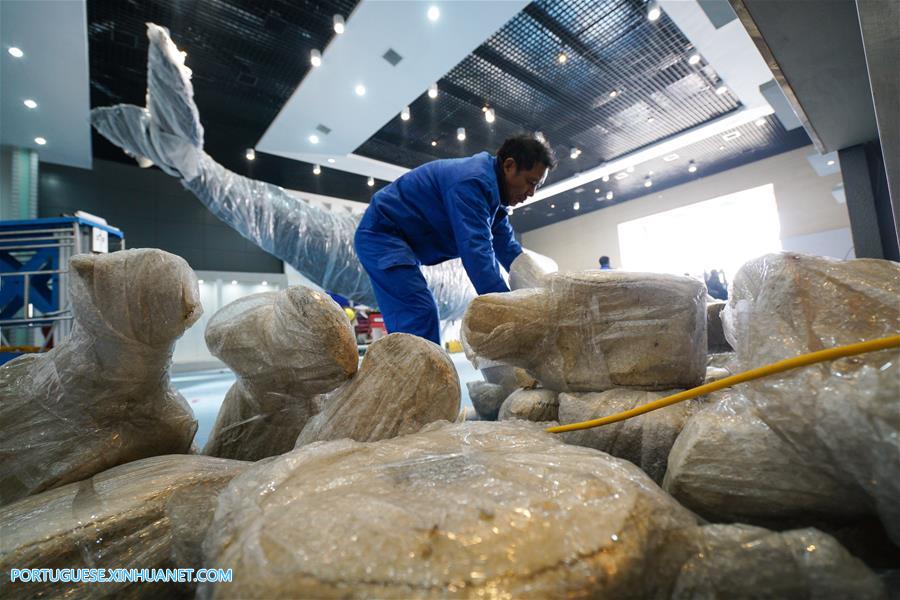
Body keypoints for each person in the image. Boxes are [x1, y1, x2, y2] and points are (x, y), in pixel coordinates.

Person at [354, 135, 556, 345]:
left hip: (400, 239)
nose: (531, 193)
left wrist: (544, 294)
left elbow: (509, 251)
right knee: (418, 312)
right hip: (382, 235)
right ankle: (421, 377)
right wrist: (510, 311)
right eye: (530, 182)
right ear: (509, 166)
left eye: (537, 187)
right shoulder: (472, 183)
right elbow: (477, 254)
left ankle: (423, 374)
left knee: (420, 311)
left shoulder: (494, 199)